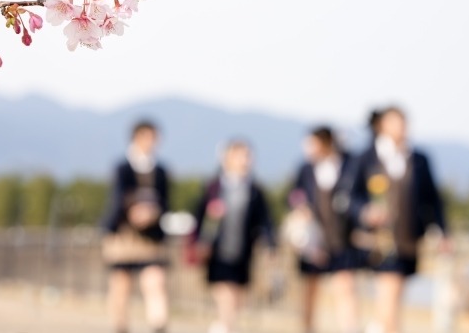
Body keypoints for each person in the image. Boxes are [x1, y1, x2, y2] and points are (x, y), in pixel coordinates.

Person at [350, 106, 448, 333]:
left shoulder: (419, 159)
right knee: (390, 290)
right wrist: (365, 211)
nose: (402, 128)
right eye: (396, 122)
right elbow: (350, 196)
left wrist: (442, 231)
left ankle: (378, 327)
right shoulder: (366, 157)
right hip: (377, 241)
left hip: (409, 239)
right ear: (382, 126)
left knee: (395, 293)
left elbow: (433, 199)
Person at [191, 139, 276, 333]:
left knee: (238, 293)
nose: (245, 160)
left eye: (248, 156)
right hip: (217, 249)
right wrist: (198, 241)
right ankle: (226, 325)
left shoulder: (254, 190)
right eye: (240, 155)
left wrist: (270, 243)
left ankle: (224, 324)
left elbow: (265, 220)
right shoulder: (212, 187)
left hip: (243, 249)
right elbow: (198, 216)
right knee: (224, 288)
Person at [286, 126, 361, 333]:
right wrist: (300, 208)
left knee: (345, 286)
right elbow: (293, 195)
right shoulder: (305, 169)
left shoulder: (349, 165)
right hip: (313, 238)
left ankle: (349, 328)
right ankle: (308, 327)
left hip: (341, 237)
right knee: (310, 288)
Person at [101, 120, 170, 333]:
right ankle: (120, 327)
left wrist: (152, 213)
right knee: (121, 287)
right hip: (123, 235)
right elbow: (118, 197)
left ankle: (158, 325)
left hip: (151, 236)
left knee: (155, 282)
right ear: (137, 137)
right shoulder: (122, 167)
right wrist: (134, 210)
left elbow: (165, 202)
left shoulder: (160, 170)